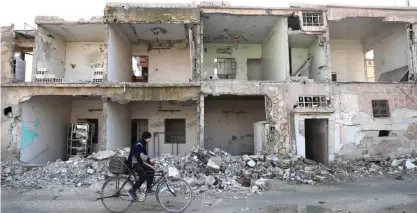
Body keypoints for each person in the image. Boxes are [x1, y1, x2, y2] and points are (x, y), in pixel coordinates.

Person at [127, 131, 156, 200]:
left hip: (139, 162)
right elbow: (140, 155)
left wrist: (150, 163)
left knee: (151, 170)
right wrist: (149, 160)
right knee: (144, 175)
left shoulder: (143, 144)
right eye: (149, 138)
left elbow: (144, 156)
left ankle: (148, 189)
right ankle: (132, 190)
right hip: (133, 163)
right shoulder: (139, 144)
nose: (150, 139)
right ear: (146, 138)